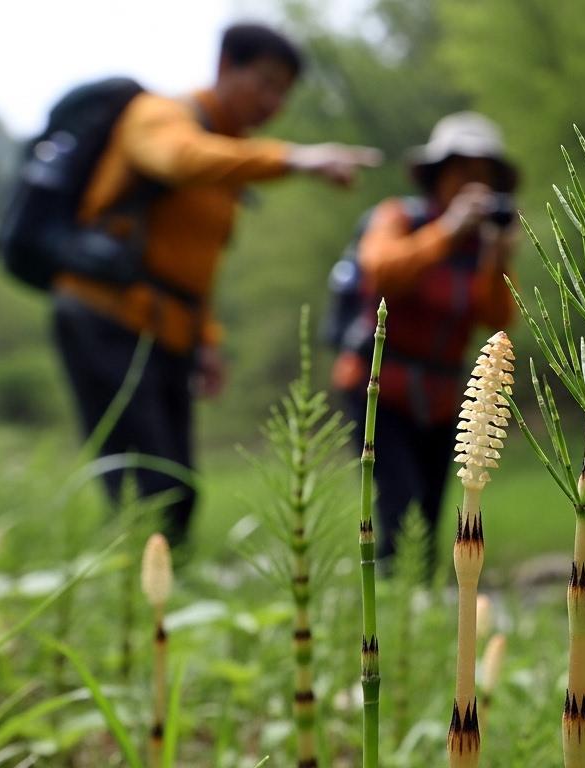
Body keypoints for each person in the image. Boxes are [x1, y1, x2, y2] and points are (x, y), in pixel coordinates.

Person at [53, 22, 379, 548]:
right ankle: (133, 592)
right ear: (226, 66)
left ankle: (159, 589)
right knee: (147, 482)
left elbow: (197, 266)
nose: (273, 103)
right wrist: (291, 157)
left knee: (180, 485)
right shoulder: (160, 115)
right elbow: (176, 159)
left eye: (283, 93)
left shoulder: (230, 159)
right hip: (105, 317)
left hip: (169, 332)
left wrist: (206, 343)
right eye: (265, 83)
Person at [332, 112, 519, 564]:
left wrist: (497, 260)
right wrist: (447, 231)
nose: (474, 187)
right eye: (463, 172)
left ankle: (419, 598)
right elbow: (381, 272)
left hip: (439, 399)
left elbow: (497, 319)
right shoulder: (398, 218)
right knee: (398, 505)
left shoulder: (483, 247)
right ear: (438, 174)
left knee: (431, 512)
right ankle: (391, 594)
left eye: (484, 177)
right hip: (380, 390)